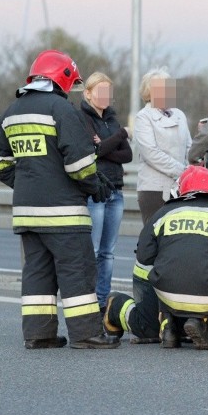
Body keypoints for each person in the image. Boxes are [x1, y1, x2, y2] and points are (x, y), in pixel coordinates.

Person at [0, 49, 119, 349]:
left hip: (27, 213)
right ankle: (86, 334)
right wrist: (94, 185)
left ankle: (38, 334)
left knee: (37, 273)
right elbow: (80, 163)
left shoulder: (13, 110)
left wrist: (22, 181)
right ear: (64, 78)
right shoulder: (61, 109)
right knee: (78, 269)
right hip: (64, 214)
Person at [102, 169, 208, 342]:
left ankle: (169, 322)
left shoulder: (162, 214)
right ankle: (116, 307)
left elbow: (144, 256)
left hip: (164, 291)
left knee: (154, 319)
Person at [79, 72, 132, 311]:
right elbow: (94, 151)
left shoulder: (112, 119)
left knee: (108, 253)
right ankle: (88, 302)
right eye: (99, 91)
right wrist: (120, 135)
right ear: (88, 93)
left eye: (107, 92)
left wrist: (104, 146)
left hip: (116, 190)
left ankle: (102, 303)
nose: (104, 96)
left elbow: (127, 155)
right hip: (95, 191)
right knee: (94, 249)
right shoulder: (83, 118)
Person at [134, 67, 191, 223]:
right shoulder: (143, 117)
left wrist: (193, 167)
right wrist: (183, 171)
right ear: (150, 92)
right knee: (154, 237)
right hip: (154, 189)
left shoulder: (180, 115)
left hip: (181, 187)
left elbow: (189, 146)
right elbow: (151, 153)